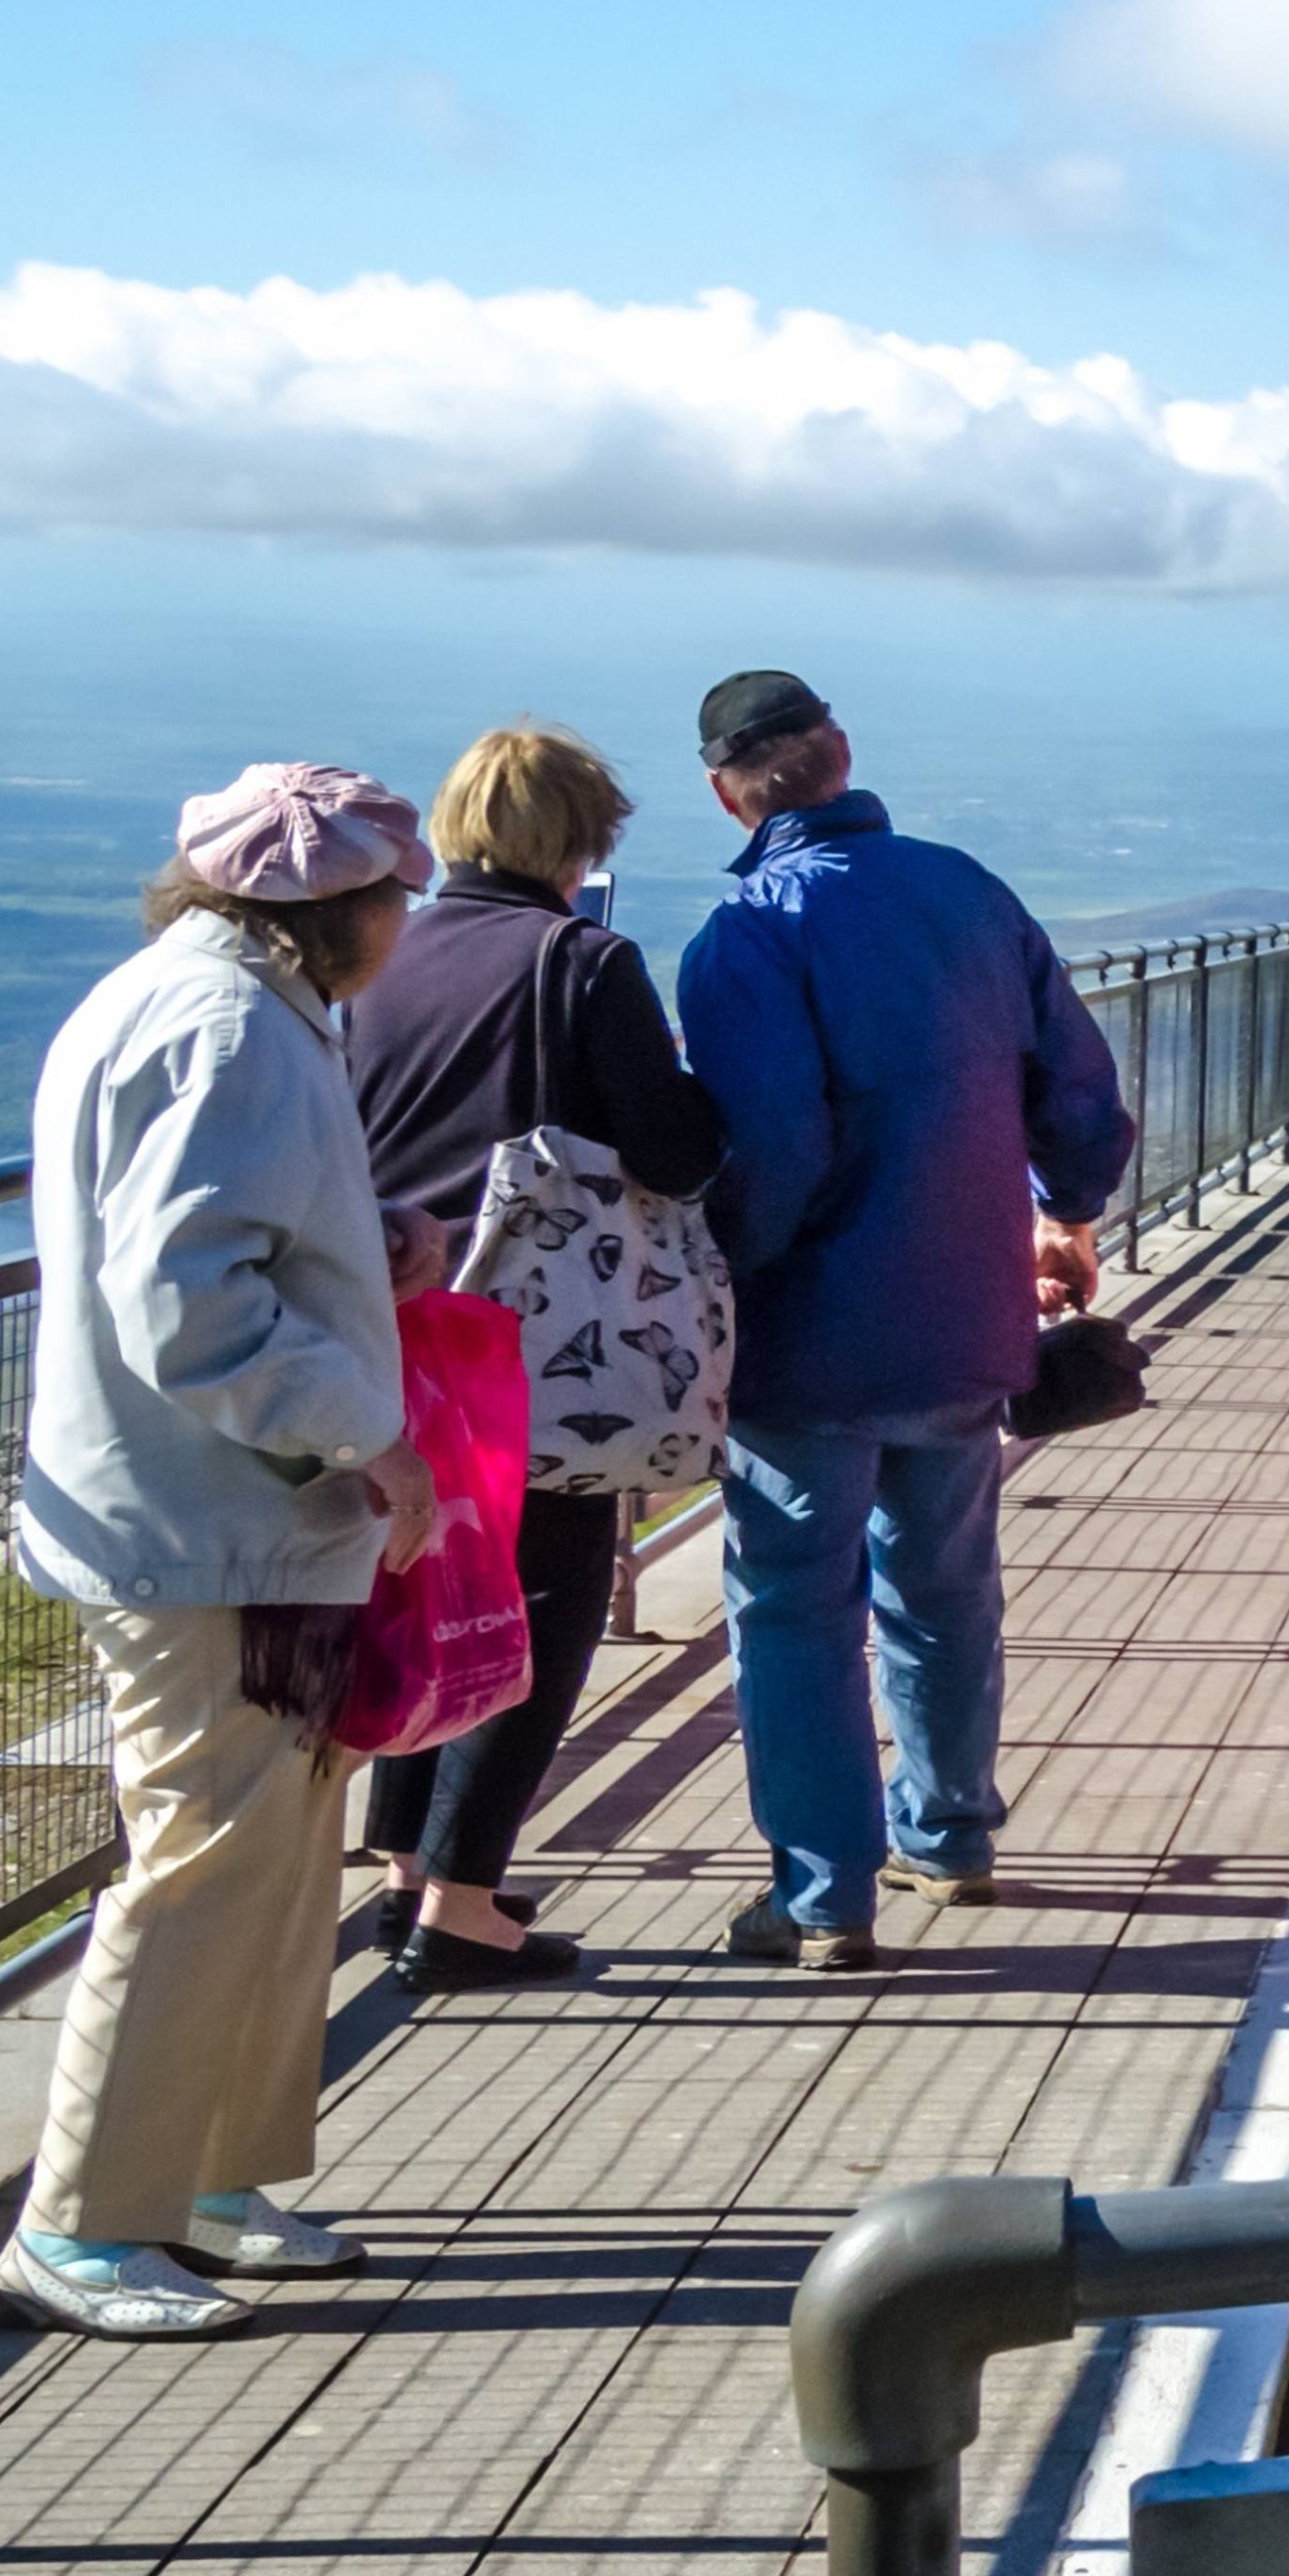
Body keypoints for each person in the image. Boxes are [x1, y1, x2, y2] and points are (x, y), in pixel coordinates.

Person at [1, 765, 451, 2339]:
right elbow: (192, 1302)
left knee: (274, 1853)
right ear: (338, 908)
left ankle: (209, 2179)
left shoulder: (196, 1003)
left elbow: (215, 1247)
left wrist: (362, 1240)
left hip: (213, 1510)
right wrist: (363, 1428)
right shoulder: (236, 1031)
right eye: (395, 897)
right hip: (215, 1521)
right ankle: (83, 2220)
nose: (406, 924)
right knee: (205, 1856)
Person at [676, 673, 1134, 1973]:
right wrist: (1069, 1204)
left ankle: (824, 1894)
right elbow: (1075, 1084)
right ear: (841, 755)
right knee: (942, 1588)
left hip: (811, 1333)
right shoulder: (968, 892)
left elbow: (768, 1149)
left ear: (728, 791)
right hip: (964, 1318)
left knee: (793, 1608)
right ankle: (948, 1833)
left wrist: (731, 1282)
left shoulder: (746, 936)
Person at [342, 725, 727, 1987]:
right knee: (544, 1596)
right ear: (579, 839)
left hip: (387, 1314)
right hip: (524, 1334)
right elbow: (670, 1150)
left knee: (424, 1576)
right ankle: (464, 1902)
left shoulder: (377, 953)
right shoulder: (585, 958)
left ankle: (405, 1869)